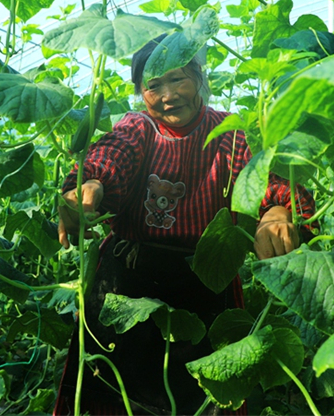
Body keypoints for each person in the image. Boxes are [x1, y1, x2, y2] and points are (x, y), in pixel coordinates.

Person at [53, 36, 316, 415]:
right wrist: (90, 184)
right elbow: (115, 154)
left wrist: (277, 211)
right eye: (153, 85)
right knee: (114, 392)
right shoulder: (138, 128)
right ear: (141, 94)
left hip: (205, 278)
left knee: (205, 396)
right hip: (128, 281)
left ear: (199, 78)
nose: (167, 94)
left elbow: (268, 177)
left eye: (177, 79)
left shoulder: (231, 132)